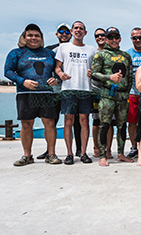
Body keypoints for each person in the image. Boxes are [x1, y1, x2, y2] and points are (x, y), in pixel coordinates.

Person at [5, 23, 61, 166]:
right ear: (24, 37)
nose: (33, 38)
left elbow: (59, 71)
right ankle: (27, 156)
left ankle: (51, 154)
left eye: (37, 35)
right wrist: (23, 81)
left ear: (41, 38)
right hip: (25, 93)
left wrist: (56, 79)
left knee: (50, 124)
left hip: (47, 94)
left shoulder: (50, 54)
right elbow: (8, 71)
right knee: (26, 124)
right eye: (30, 35)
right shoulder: (16, 53)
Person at [91, 27, 134, 167]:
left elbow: (130, 76)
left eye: (116, 37)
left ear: (120, 39)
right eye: (110, 37)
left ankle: (121, 154)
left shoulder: (126, 56)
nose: (113, 40)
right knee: (104, 125)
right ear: (106, 39)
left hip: (122, 96)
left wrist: (126, 92)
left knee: (122, 127)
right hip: (107, 96)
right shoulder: (101, 55)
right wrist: (109, 77)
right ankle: (103, 155)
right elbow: (94, 74)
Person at [37, 23, 81, 160]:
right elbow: (44, 69)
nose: (64, 34)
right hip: (54, 92)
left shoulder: (77, 49)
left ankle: (79, 149)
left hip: (72, 90)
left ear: (71, 34)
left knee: (76, 121)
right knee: (51, 122)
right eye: (61, 31)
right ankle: (49, 150)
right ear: (56, 34)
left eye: (67, 31)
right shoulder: (49, 50)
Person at [55, 21, 96, 164]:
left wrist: (93, 72)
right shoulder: (63, 47)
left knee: (84, 121)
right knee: (68, 121)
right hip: (68, 88)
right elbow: (57, 67)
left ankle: (84, 153)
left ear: (85, 33)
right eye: (76, 28)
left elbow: (95, 69)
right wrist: (60, 74)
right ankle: (69, 154)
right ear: (72, 31)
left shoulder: (91, 49)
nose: (78, 30)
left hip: (86, 89)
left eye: (81, 28)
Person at [90, 28, 114, 158]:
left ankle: (108, 149)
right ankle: (96, 147)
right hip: (96, 92)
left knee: (109, 122)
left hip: (111, 92)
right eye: (97, 35)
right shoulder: (92, 53)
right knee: (96, 122)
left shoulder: (113, 53)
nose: (100, 37)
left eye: (103, 35)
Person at [125, 27, 141, 159]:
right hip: (132, 93)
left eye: (140, 37)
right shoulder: (127, 55)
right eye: (135, 38)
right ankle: (134, 147)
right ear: (131, 39)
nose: (138, 40)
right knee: (132, 122)